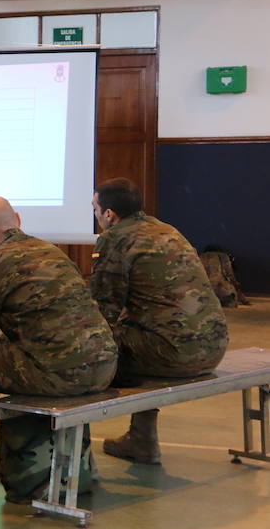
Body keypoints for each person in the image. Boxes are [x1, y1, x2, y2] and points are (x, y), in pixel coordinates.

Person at [0, 196, 118, 503]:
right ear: (18, 220)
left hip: (57, 372)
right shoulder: (54, 253)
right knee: (14, 353)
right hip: (104, 365)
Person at [91, 178, 229, 464]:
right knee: (139, 328)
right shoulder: (167, 230)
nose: (95, 216)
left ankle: (73, 452)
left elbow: (102, 310)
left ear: (109, 214)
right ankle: (141, 438)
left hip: (174, 354)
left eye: (95, 209)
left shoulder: (114, 238)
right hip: (214, 346)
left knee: (86, 350)